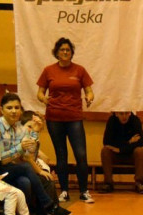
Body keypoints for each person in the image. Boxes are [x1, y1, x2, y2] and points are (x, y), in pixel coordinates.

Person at [37, 37, 95, 204]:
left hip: (74, 117)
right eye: (62, 50)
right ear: (57, 52)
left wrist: (89, 98)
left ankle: (84, 191)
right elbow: (40, 93)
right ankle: (63, 191)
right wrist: (43, 99)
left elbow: (89, 91)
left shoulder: (80, 70)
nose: (65, 52)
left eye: (68, 50)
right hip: (54, 117)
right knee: (61, 155)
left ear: (71, 53)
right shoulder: (48, 70)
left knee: (81, 154)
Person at [101, 111, 143, 194]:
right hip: (116, 155)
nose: (124, 117)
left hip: (130, 155)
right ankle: (108, 183)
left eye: (127, 114)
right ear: (116, 114)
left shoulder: (135, 120)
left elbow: (141, 142)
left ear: (130, 113)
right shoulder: (112, 120)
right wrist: (129, 142)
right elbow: (107, 142)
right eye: (121, 114)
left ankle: (139, 183)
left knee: (140, 151)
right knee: (105, 151)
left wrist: (120, 148)